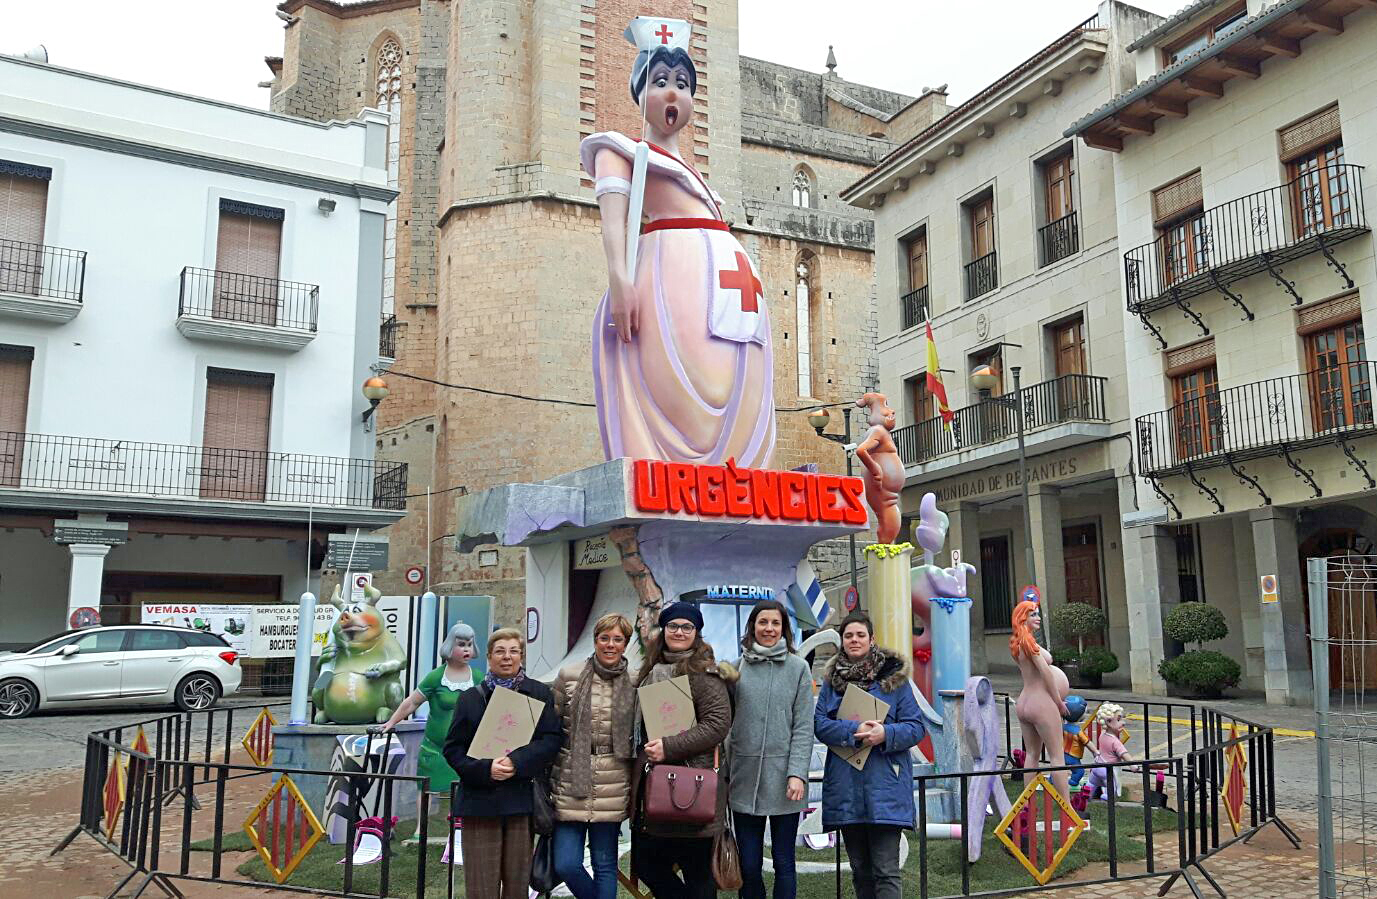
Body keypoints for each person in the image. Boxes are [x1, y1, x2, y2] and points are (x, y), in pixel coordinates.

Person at [584, 16, 775, 467]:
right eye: (661, 81)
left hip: (731, 296)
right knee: (688, 384)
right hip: (671, 284)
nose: (674, 93)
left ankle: (732, 476)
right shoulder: (621, 151)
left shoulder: (701, 182)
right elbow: (612, 223)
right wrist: (620, 280)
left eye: (684, 84)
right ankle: (678, 470)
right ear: (639, 92)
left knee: (732, 380)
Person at [443, 628, 561, 899]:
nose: (507, 657)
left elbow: (551, 740)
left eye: (514, 651)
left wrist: (516, 762)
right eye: (500, 651)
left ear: (521, 656)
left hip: (521, 800)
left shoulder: (540, 693)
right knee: (481, 886)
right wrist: (486, 769)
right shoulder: (470, 698)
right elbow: (453, 749)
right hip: (479, 802)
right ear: (488, 657)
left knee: (518, 884)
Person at [814, 612, 924, 899]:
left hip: (885, 786)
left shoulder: (894, 680)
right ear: (842, 641)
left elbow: (916, 727)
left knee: (886, 870)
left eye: (860, 635)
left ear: (871, 639)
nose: (854, 640)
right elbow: (821, 726)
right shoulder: (831, 682)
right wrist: (854, 730)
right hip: (846, 787)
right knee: (860, 869)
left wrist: (885, 734)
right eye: (848, 635)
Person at [631, 601, 732, 899]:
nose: (679, 631)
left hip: (693, 785)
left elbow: (717, 724)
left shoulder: (705, 674)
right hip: (656, 785)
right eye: (673, 626)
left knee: (698, 872)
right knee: (647, 865)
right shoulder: (651, 671)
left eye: (687, 627)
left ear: (697, 633)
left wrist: (669, 747)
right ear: (664, 631)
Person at [728, 599, 813, 899]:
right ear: (752, 626)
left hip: (784, 780)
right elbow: (725, 724)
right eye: (763, 622)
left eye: (775, 623)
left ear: (784, 629)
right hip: (744, 778)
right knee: (748, 864)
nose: (769, 628)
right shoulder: (735, 669)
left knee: (783, 861)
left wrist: (797, 774)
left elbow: (804, 726)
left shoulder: (799, 668)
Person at [550, 613, 636, 899]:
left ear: (625, 644)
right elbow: (553, 723)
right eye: (604, 638)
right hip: (572, 774)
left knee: (605, 864)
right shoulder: (568, 675)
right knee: (566, 863)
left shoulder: (636, 681)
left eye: (617, 639)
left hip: (614, 777)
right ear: (595, 640)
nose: (610, 645)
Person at [376, 622, 477, 797]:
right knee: (426, 789)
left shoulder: (478, 677)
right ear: (450, 645)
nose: (467, 649)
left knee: (462, 792)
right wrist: (391, 722)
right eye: (461, 644)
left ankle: (458, 823)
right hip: (435, 748)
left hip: (465, 750)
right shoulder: (436, 677)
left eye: (469, 644)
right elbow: (412, 702)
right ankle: (421, 824)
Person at [1010, 599, 1073, 807]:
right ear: (1022, 618)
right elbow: (1045, 672)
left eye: (1037, 613)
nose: (1037, 618)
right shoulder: (1029, 644)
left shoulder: (1018, 643)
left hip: (1024, 701)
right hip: (1041, 702)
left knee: (1032, 755)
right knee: (1057, 757)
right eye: (1033, 614)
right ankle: (1067, 807)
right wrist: (1058, 701)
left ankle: (1026, 806)